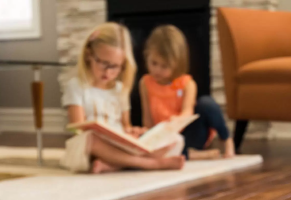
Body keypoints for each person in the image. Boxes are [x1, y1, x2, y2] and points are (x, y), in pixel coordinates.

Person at [60, 23, 185, 174]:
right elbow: (77, 128)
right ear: (88, 55)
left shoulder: (119, 90)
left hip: (118, 146)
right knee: (90, 138)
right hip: (91, 148)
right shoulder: (76, 86)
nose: (108, 71)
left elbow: (125, 125)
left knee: (176, 139)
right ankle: (149, 163)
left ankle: (113, 165)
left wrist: (133, 132)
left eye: (115, 66)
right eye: (103, 63)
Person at [140, 25, 235, 160]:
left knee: (207, 103)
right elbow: (147, 117)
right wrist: (149, 138)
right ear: (146, 56)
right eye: (153, 63)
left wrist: (177, 120)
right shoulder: (145, 83)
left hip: (189, 133)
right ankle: (192, 155)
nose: (157, 70)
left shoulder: (187, 84)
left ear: (177, 64)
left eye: (164, 66)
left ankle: (227, 140)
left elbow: (187, 111)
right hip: (166, 138)